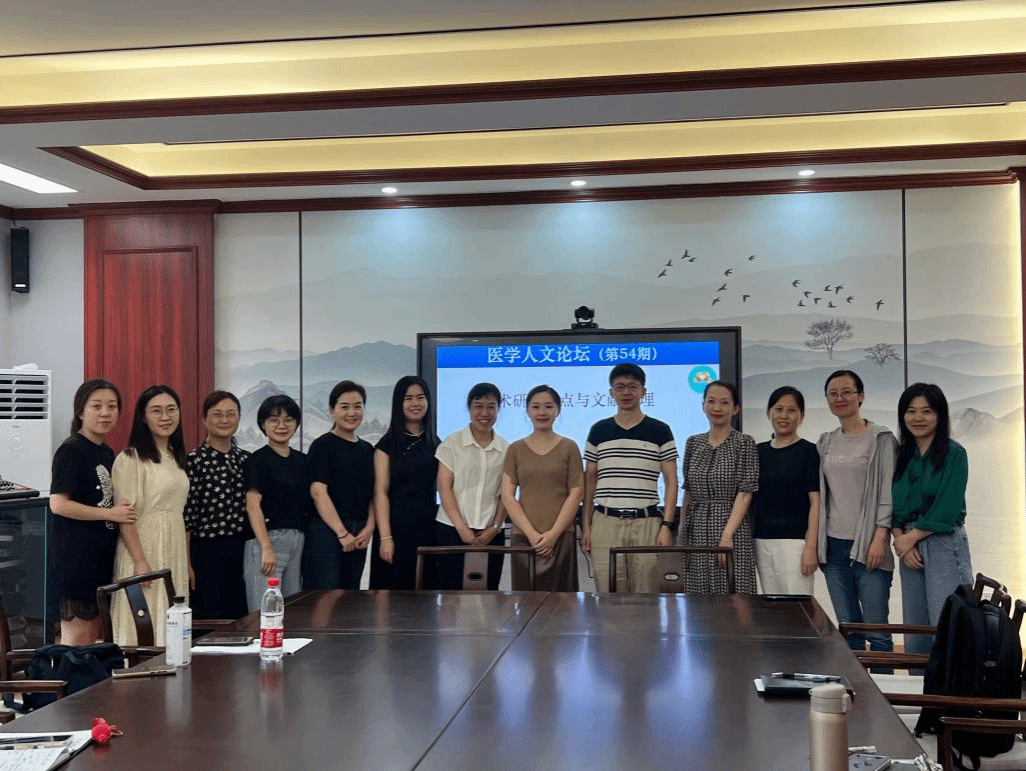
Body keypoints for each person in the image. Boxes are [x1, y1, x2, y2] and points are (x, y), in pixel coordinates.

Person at [48, 379, 137, 645]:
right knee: (77, 641)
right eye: (96, 406)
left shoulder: (107, 452)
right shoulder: (71, 450)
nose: (105, 413)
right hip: (76, 560)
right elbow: (58, 504)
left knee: (92, 639)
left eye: (112, 406)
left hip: (100, 559)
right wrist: (110, 514)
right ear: (80, 411)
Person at [817, 369, 897, 654]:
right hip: (833, 547)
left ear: (860, 396)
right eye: (833, 393)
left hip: (869, 544)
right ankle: (855, 685)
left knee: (878, 633)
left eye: (846, 392)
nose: (839, 398)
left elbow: (888, 491)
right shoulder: (825, 441)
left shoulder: (881, 438)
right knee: (849, 631)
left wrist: (880, 538)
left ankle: (883, 684)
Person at [891, 382, 972, 657]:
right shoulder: (901, 455)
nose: (918, 418)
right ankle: (919, 683)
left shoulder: (955, 454)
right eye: (911, 411)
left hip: (943, 541)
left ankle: (951, 686)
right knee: (915, 630)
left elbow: (947, 506)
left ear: (940, 415)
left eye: (926, 411)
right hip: (908, 545)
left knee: (947, 624)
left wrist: (910, 539)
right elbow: (891, 505)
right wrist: (902, 542)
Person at [582, 363, 678, 593]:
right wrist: (586, 527)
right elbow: (589, 482)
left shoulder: (660, 430)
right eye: (620, 387)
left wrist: (667, 525)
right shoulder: (599, 430)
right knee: (607, 595)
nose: (626, 392)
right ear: (611, 393)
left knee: (646, 596)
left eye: (633, 386)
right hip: (605, 523)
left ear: (643, 392)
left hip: (646, 524)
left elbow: (672, 481)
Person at [110, 385, 190, 646]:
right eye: (156, 411)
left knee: (171, 621)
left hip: (173, 547)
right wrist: (140, 560)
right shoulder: (130, 458)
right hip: (144, 548)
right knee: (142, 625)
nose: (165, 417)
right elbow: (125, 515)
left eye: (171, 409)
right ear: (143, 417)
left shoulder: (174, 456)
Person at [501, 385, 584, 591]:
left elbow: (577, 492)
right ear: (527, 411)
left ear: (558, 410)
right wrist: (532, 534)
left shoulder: (570, 447)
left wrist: (553, 535)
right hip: (524, 538)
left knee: (563, 603)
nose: (542, 412)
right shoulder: (515, 449)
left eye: (548, 406)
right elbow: (507, 495)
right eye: (536, 407)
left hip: (561, 536)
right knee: (525, 602)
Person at [681, 380, 759, 594]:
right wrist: (682, 530)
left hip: (731, 527)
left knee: (734, 594)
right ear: (703, 405)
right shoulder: (693, 443)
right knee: (698, 597)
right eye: (711, 401)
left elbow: (745, 492)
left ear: (735, 408)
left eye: (724, 402)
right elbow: (688, 490)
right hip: (696, 530)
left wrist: (726, 535)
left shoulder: (744, 442)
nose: (717, 408)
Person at [434, 382, 509, 590]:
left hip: (491, 533)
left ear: (498, 409)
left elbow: (506, 494)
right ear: (469, 408)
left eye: (491, 407)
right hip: (451, 530)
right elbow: (444, 488)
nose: (485, 413)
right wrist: (462, 527)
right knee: (450, 596)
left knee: (488, 593)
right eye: (478, 406)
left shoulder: (506, 448)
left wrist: (495, 527)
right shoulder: (452, 443)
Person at [183, 390, 249, 619]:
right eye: (217, 414)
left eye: (231, 414)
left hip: (241, 550)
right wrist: (186, 563)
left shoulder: (246, 460)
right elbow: (187, 518)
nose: (224, 420)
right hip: (205, 552)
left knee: (239, 616)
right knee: (208, 616)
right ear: (204, 419)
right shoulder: (193, 461)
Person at [303, 380, 375, 590]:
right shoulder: (322, 445)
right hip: (326, 532)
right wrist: (342, 533)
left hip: (359, 532)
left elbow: (374, 494)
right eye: (344, 407)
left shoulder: (368, 449)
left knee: (351, 598)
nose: (352, 413)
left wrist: (369, 528)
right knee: (324, 598)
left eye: (358, 406)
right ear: (332, 411)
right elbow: (318, 493)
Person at [370, 376, 439, 591]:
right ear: (399, 403)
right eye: (408, 398)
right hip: (395, 531)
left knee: (425, 596)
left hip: (427, 531)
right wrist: (386, 537)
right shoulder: (387, 445)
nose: (415, 403)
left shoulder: (435, 443)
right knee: (393, 597)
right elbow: (380, 493)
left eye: (420, 397)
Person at [751, 386, 820, 595]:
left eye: (791, 410)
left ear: (801, 416)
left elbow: (816, 502)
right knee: (771, 607)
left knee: (798, 606)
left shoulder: (809, 451)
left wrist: (811, 547)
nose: (784, 416)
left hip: (796, 543)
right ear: (768, 413)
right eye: (778, 409)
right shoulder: (758, 451)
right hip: (761, 541)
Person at [244, 394, 308, 610]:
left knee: (292, 611)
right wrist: (266, 547)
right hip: (268, 540)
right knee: (264, 610)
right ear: (263, 424)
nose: (282, 425)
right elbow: (253, 505)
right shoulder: (258, 460)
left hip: (296, 541)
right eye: (274, 420)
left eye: (288, 420)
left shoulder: (302, 460)